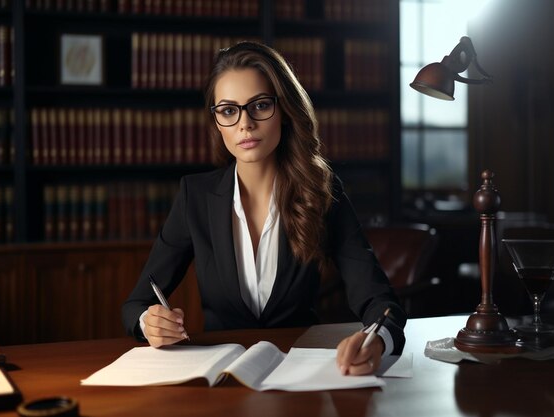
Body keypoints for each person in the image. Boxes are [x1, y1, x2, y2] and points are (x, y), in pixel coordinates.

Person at [122, 41, 406, 375]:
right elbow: (136, 304)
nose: (245, 124)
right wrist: (148, 322)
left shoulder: (322, 191)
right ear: (216, 121)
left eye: (259, 105)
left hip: (299, 376)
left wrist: (378, 339)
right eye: (228, 110)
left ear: (284, 110)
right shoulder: (194, 196)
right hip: (221, 380)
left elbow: (380, 301)